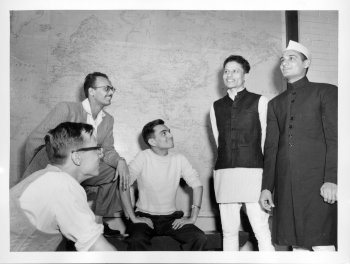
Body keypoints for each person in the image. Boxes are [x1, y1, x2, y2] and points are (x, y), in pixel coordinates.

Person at [22, 72, 129, 236]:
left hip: (81, 167)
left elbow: (107, 150)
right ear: (91, 91)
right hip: (57, 167)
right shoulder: (67, 109)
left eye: (112, 88)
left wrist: (120, 161)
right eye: (107, 88)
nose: (111, 92)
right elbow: (35, 140)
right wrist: (33, 175)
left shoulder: (108, 120)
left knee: (113, 172)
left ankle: (97, 223)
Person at [259, 40, 337, 251]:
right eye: (282, 59)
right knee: (297, 247)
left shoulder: (326, 92)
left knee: (322, 245)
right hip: (286, 187)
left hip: (318, 185)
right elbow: (272, 149)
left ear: (306, 63)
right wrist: (267, 187)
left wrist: (332, 179)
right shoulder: (275, 104)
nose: (284, 63)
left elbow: (336, 139)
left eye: (291, 58)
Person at [10, 122, 117, 251]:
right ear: (77, 157)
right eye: (96, 148)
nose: (101, 154)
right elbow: (100, 250)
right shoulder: (62, 185)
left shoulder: (47, 176)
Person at [209, 55, 274, 251]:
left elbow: (266, 142)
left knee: (261, 231)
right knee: (229, 233)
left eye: (235, 70)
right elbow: (218, 139)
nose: (229, 75)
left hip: (253, 172)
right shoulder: (215, 106)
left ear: (245, 74)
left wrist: (267, 181)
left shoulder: (261, 101)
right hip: (225, 173)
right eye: (226, 71)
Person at [119, 119, 207, 251]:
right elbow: (123, 185)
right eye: (164, 133)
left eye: (169, 132)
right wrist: (133, 217)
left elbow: (197, 186)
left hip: (170, 219)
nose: (170, 135)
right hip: (144, 217)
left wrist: (193, 217)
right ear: (152, 142)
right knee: (137, 239)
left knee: (199, 238)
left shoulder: (179, 159)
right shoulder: (143, 157)